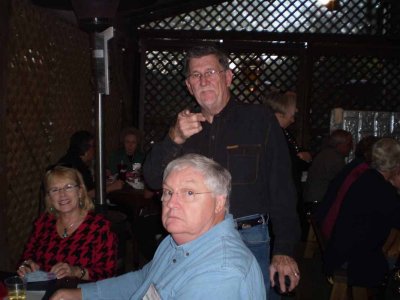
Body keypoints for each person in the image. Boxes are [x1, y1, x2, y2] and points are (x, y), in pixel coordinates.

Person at [143, 45, 300, 294]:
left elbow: (282, 187)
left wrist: (284, 249)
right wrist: (173, 138)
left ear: (227, 77)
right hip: (195, 241)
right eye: (196, 75)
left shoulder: (260, 119)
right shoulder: (183, 127)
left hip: (249, 238)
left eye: (211, 72)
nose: (203, 80)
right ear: (188, 85)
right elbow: (151, 179)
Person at [50, 154, 266, 300]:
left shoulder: (221, 274)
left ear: (219, 202)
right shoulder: (177, 241)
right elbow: (143, 279)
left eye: (189, 193)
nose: (171, 203)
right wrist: (80, 294)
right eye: (168, 192)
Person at [324, 138, 400, 289]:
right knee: (394, 263)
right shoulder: (382, 190)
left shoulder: (367, 177)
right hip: (352, 261)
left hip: (341, 253)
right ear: (396, 165)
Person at [17, 166, 118, 281]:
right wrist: (26, 265)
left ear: (80, 192)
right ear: (49, 197)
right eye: (55, 190)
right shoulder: (43, 223)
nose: (62, 194)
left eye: (68, 187)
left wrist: (75, 271)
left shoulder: (100, 227)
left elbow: (108, 274)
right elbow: (26, 257)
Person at [58, 130, 123, 198]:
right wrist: (112, 187)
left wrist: (105, 184)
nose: (95, 149)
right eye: (93, 146)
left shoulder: (68, 159)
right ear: (85, 147)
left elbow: (88, 186)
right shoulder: (77, 166)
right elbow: (85, 195)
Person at [303, 129, 353, 205]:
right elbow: (344, 184)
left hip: (312, 198)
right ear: (339, 145)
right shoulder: (336, 159)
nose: (351, 148)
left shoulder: (326, 153)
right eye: (349, 144)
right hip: (320, 201)